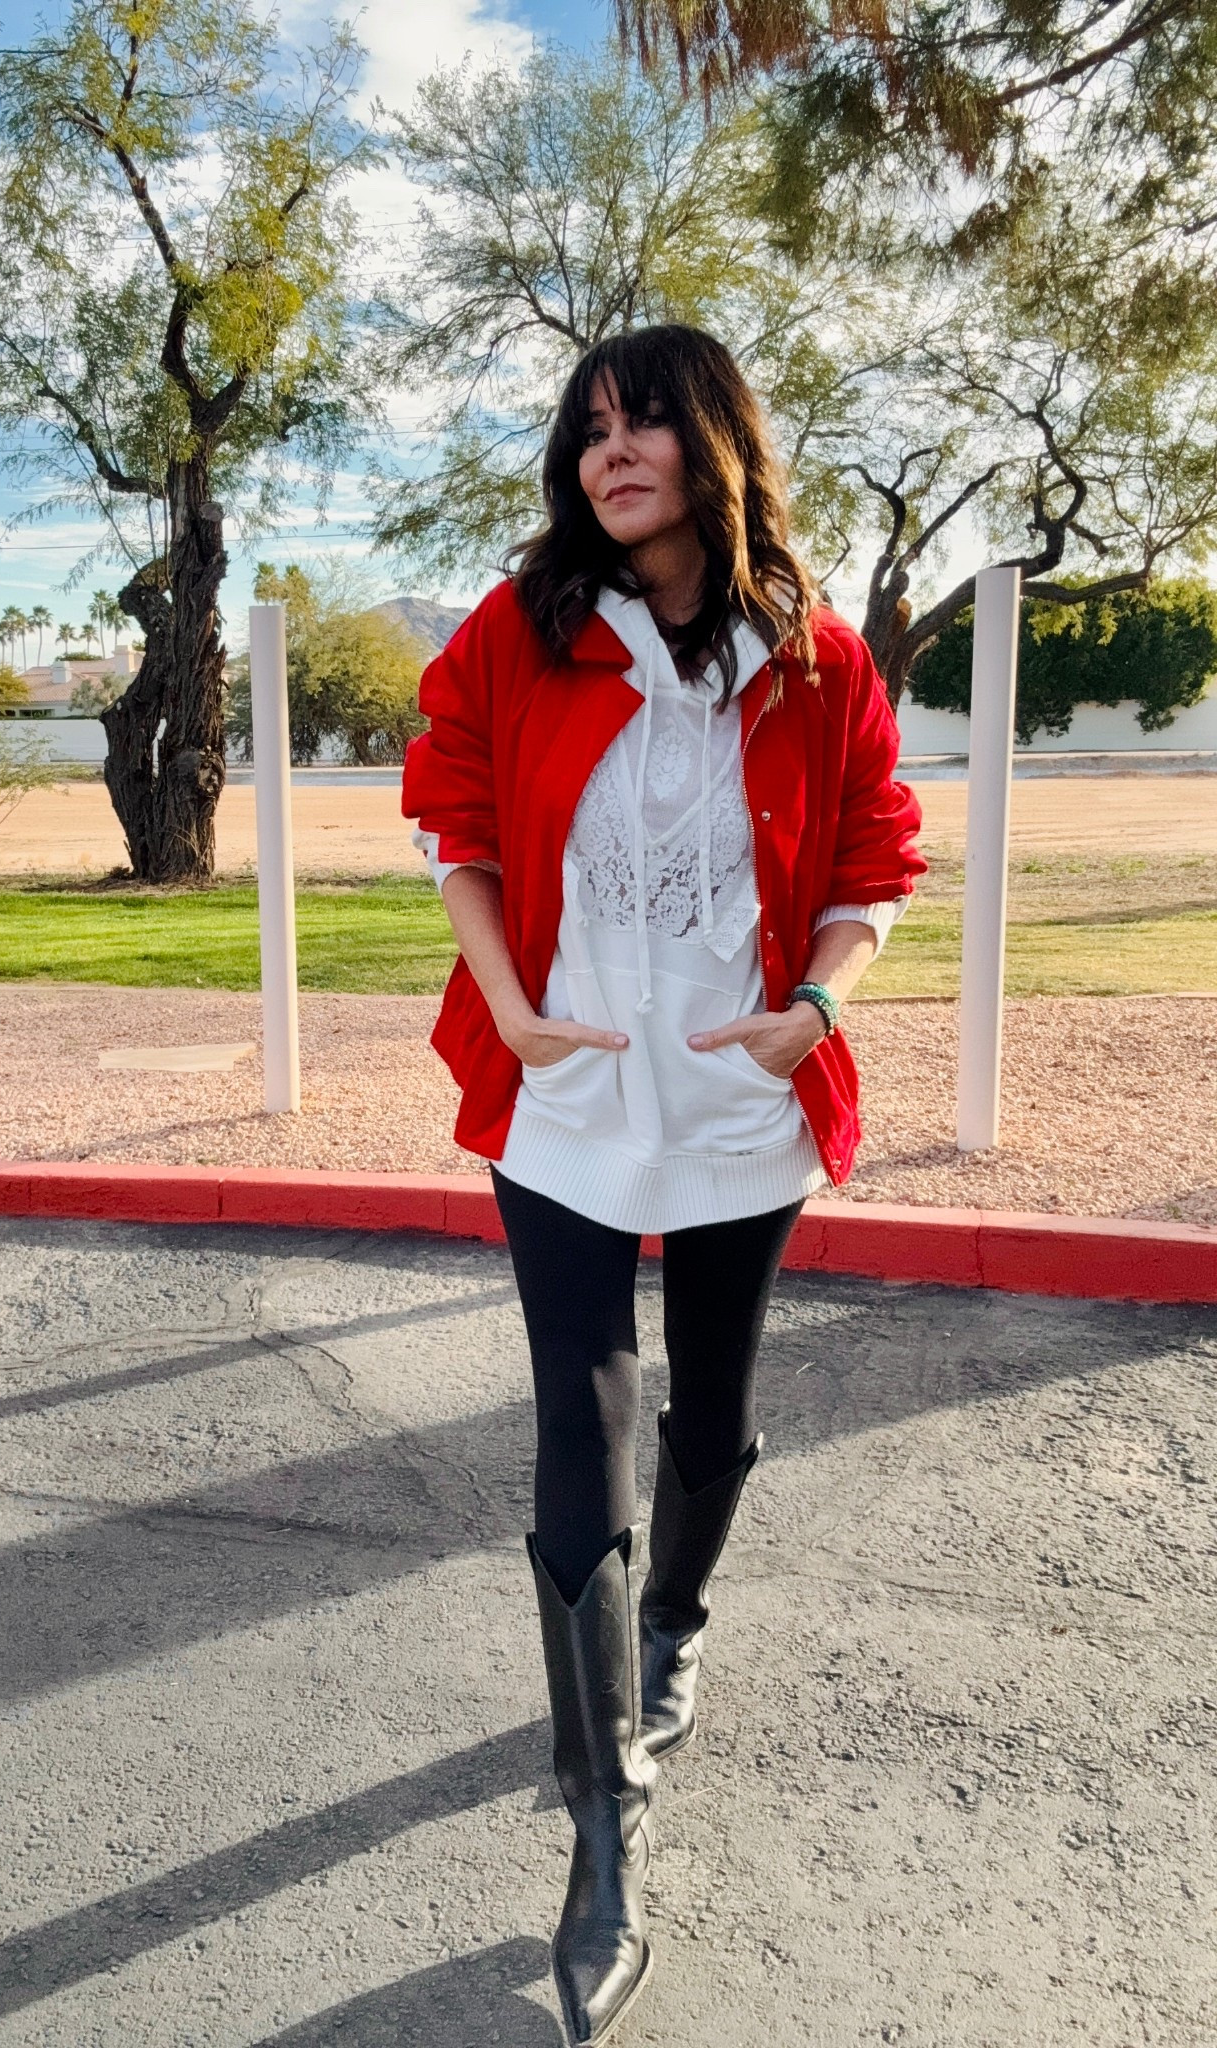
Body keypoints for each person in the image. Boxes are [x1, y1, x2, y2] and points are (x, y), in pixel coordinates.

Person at [401, 324, 925, 2046]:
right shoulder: (522, 626)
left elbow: (874, 857)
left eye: (643, 423)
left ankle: (676, 1627)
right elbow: (455, 818)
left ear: (716, 443)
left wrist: (817, 1010)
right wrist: (507, 1005)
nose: (610, 452)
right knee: (585, 1416)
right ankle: (604, 1821)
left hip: (737, 1094)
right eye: (589, 430)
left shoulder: (815, 656)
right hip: (564, 1092)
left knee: (716, 1404)